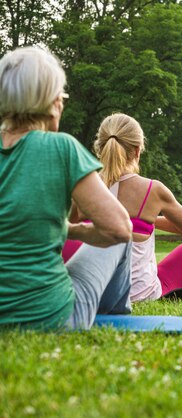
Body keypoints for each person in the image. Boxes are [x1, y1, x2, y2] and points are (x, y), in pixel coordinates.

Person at [0, 47, 133, 330]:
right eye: (61, 96)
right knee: (125, 233)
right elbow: (118, 229)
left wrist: (64, 229)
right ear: (51, 102)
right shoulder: (61, 148)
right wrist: (73, 230)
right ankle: (117, 312)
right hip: (51, 317)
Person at [63, 113, 182, 302]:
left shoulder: (85, 185)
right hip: (141, 294)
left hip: (92, 291)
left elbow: (69, 228)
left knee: (67, 240)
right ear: (137, 151)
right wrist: (147, 221)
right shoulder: (153, 189)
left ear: (100, 149)